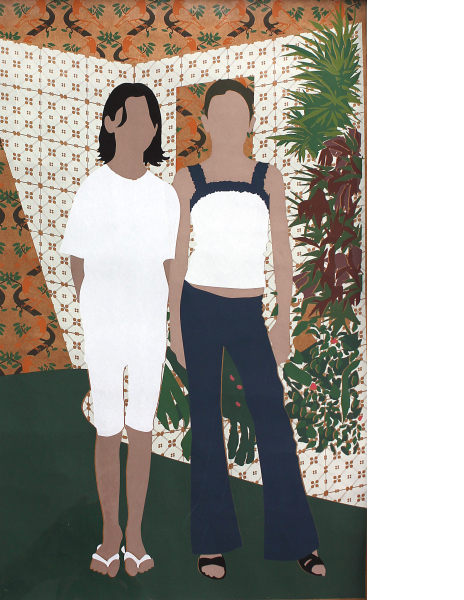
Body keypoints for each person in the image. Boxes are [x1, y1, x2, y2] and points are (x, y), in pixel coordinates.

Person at [168, 79, 326, 580]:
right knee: (205, 422)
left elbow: (281, 251)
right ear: (205, 123)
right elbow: (176, 256)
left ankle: (298, 540)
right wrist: (175, 322)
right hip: (198, 308)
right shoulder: (187, 181)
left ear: (252, 122)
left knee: (272, 419)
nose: (230, 124)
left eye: (240, 115)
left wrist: (283, 319)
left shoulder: (268, 178)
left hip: (249, 311)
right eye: (220, 115)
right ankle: (211, 544)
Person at [59, 83, 180, 578]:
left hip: (149, 327)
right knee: (108, 426)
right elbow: (78, 261)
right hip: (105, 327)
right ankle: (110, 534)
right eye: (133, 116)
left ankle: (136, 535)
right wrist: (96, 310)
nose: (144, 127)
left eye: (150, 119)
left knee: (142, 426)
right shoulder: (93, 189)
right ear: (111, 122)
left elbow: (172, 266)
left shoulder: (164, 196)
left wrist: (168, 318)